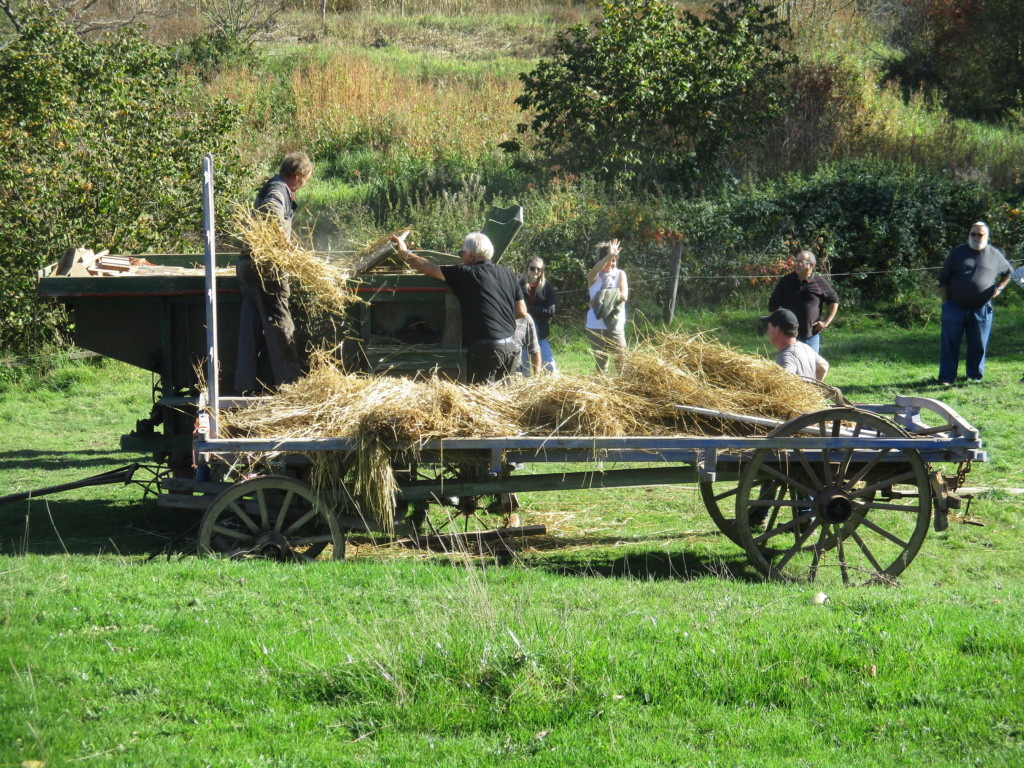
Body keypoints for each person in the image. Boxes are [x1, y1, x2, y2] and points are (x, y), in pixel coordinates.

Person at [391, 231, 526, 384]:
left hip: (487, 349)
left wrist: (404, 253)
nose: (460, 257)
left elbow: (427, 268)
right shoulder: (507, 273)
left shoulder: (466, 273)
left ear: (471, 255)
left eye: (461, 253)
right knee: (505, 398)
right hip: (511, 346)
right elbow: (522, 311)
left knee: (481, 399)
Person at [234, 151, 314, 394]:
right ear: (298, 175)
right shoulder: (278, 190)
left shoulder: (272, 185)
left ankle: (244, 391)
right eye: (305, 179)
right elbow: (272, 212)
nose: (304, 184)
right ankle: (291, 391)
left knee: (250, 333)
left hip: (248, 264)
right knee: (281, 328)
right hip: (267, 269)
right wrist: (285, 247)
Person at [937, 221, 1012, 385]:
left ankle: (974, 376)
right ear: (969, 235)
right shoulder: (958, 253)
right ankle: (947, 378)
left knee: (979, 344)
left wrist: (999, 288)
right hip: (954, 307)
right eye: (973, 234)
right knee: (950, 343)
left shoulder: (994, 254)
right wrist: (946, 304)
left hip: (981, 308)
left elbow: (1008, 272)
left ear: (987, 236)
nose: (976, 237)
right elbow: (943, 279)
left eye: (980, 235)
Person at [768, 250, 839, 354]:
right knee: (789, 367)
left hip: (810, 336)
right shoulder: (786, 281)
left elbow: (834, 300)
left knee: (811, 367)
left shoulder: (819, 282)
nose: (797, 264)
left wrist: (825, 322)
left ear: (812, 265)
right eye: (796, 261)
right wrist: (777, 325)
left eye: (801, 262)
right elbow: (773, 304)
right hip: (788, 336)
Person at [585, 239, 628, 376]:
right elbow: (594, 271)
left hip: (615, 324)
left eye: (614, 260)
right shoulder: (593, 276)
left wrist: (600, 297)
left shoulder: (620, 274)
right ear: (600, 260)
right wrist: (609, 255)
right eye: (608, 260)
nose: (611, 263)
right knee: (601, 364)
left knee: (622, 360)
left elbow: (623, 296)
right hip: (595, 324)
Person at [762, 308, 829, 381]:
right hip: (808, 392)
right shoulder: (805, 348)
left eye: (769, 328)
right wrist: (815, 388)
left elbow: (782, 383)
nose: (768, 332)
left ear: (777, 330)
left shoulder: (786, 357)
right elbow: (823, 367)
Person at [519, 256, 557, 373]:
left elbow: (550, 310)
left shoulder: (546, 287)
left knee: (550, 367)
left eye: (538, 269)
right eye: (532, 268)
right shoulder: (518, 285)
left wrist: (527, 310)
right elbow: (514, 308)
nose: (535, 272)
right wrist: (539, 311)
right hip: (522, 333)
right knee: (523, 370)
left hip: (540, 331)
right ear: (527, 269)